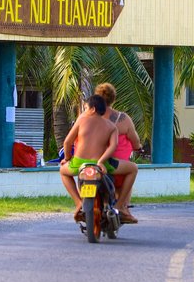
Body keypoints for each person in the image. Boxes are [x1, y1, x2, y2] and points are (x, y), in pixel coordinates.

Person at [59, 94, 139, 224]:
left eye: (86, 108)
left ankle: (79, 203)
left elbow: (67, 142)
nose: (84, 111)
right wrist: (101, 161)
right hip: (101, 164)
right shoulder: (111, 126)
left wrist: (67, 158)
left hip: (79, 163)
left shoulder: (81, 120)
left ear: (93, 109)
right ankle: (120, 206)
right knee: (133, 169)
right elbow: (113, 147)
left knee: (63, 171)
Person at [94, 82, 142, 222]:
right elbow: (136, 141)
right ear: (113, 99)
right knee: (132, 169)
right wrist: (138, 147)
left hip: (92, 162)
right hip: (115, 166)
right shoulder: (123, 119)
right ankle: (122, 207)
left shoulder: (90, 118)